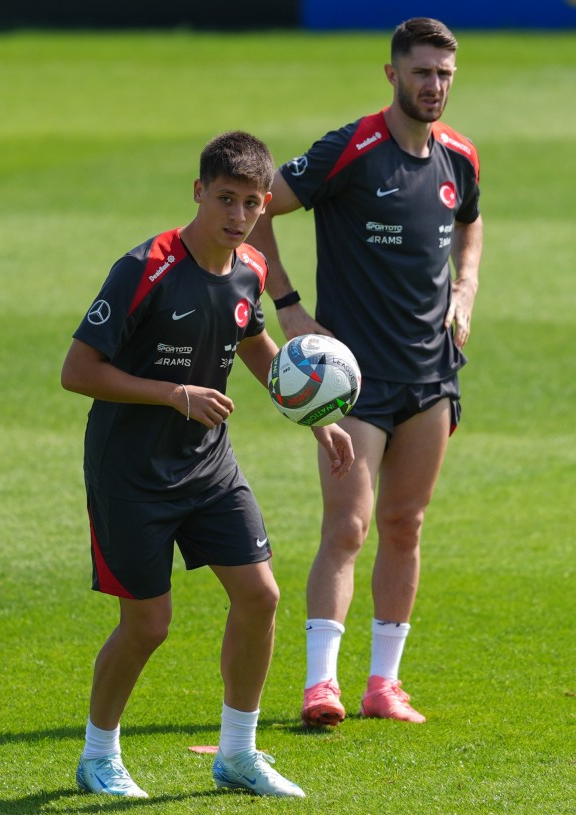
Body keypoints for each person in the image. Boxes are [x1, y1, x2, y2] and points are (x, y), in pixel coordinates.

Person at [61, 131, 354, 798]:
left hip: (208, 466)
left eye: (252, 202)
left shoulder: (249, 267)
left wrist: (315, 415)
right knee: (148, 623)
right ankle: (98, 754)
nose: (238, 214)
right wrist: (173, 393)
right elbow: (77, 370)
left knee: (261, 595)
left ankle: (238, 753)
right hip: (129, 471)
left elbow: (251, 338)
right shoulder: (145, 267)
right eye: (226, 198)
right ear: (199, 191)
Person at [249, 18, 483, 728]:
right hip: (353, 382)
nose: (433, 85)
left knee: (405, 523)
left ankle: (385, 683)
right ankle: (321, 685)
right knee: (347, 527)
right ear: (392, 75)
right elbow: (259, 203)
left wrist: (465, 288)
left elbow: (470, 221)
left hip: (430, 376)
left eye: (443, 73)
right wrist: (287, 305)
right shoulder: (351, 148)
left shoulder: (460, 157)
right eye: (421, 72)